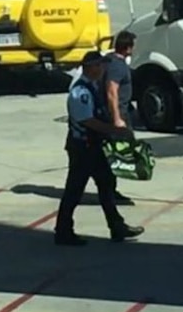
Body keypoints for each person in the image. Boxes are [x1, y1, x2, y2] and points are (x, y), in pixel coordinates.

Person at [54, 51, 144, 246]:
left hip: (95, 147)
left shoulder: (94, 87)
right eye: (100, 66)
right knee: (74, 190)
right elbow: (87, 121)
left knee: (106, 186)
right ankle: (63, 231)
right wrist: (114, 130)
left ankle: (117, 227)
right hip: (83, 149)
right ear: (91, 67)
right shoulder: (81, 92)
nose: (103, 69)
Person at [99, 30, 139, 205]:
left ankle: (109, 189)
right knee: (119, 153)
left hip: (119, 111)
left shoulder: (108, 62)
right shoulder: (117, 66)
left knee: (113, 153)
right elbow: (112, 90)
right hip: (118, 114)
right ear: (128, 48)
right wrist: (117, 118)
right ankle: (109, 190)